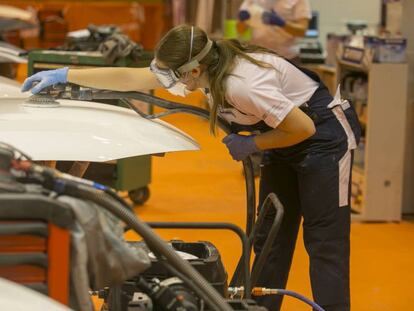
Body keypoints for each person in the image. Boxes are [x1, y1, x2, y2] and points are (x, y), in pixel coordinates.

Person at [22, 25, 360, 311]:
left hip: (323, 139)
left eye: (172, 75)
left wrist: (252, 144)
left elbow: (303, 129)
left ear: (193, 71)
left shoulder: (242, 84)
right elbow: (132, 76)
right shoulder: (206, 70)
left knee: (323, 242)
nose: (167, 82)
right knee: (270, 236)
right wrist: (65, 74)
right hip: (283, 135)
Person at [237, 0, 312, 64]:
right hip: (257, 57)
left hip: (287, 59)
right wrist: (242, 21)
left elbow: (302, 31)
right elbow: (240, 30)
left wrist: (282, 23)